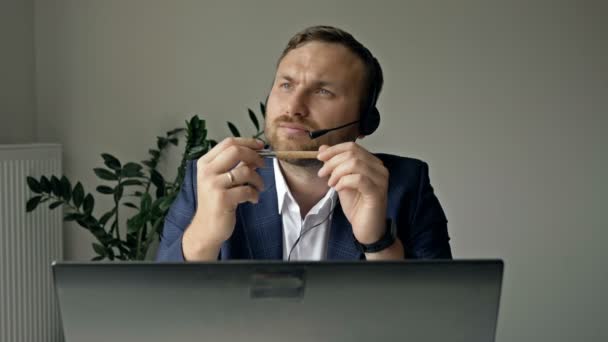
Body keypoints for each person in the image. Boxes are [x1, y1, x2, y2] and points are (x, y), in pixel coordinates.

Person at [156, 25, 452, 262]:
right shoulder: (210, 180)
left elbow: (442, 321)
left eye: (322, 91)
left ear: (364, 122)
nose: (293, 107)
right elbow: (159, 315)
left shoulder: (406, 186)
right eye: (286, 85)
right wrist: (203, 236)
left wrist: (378, 242)